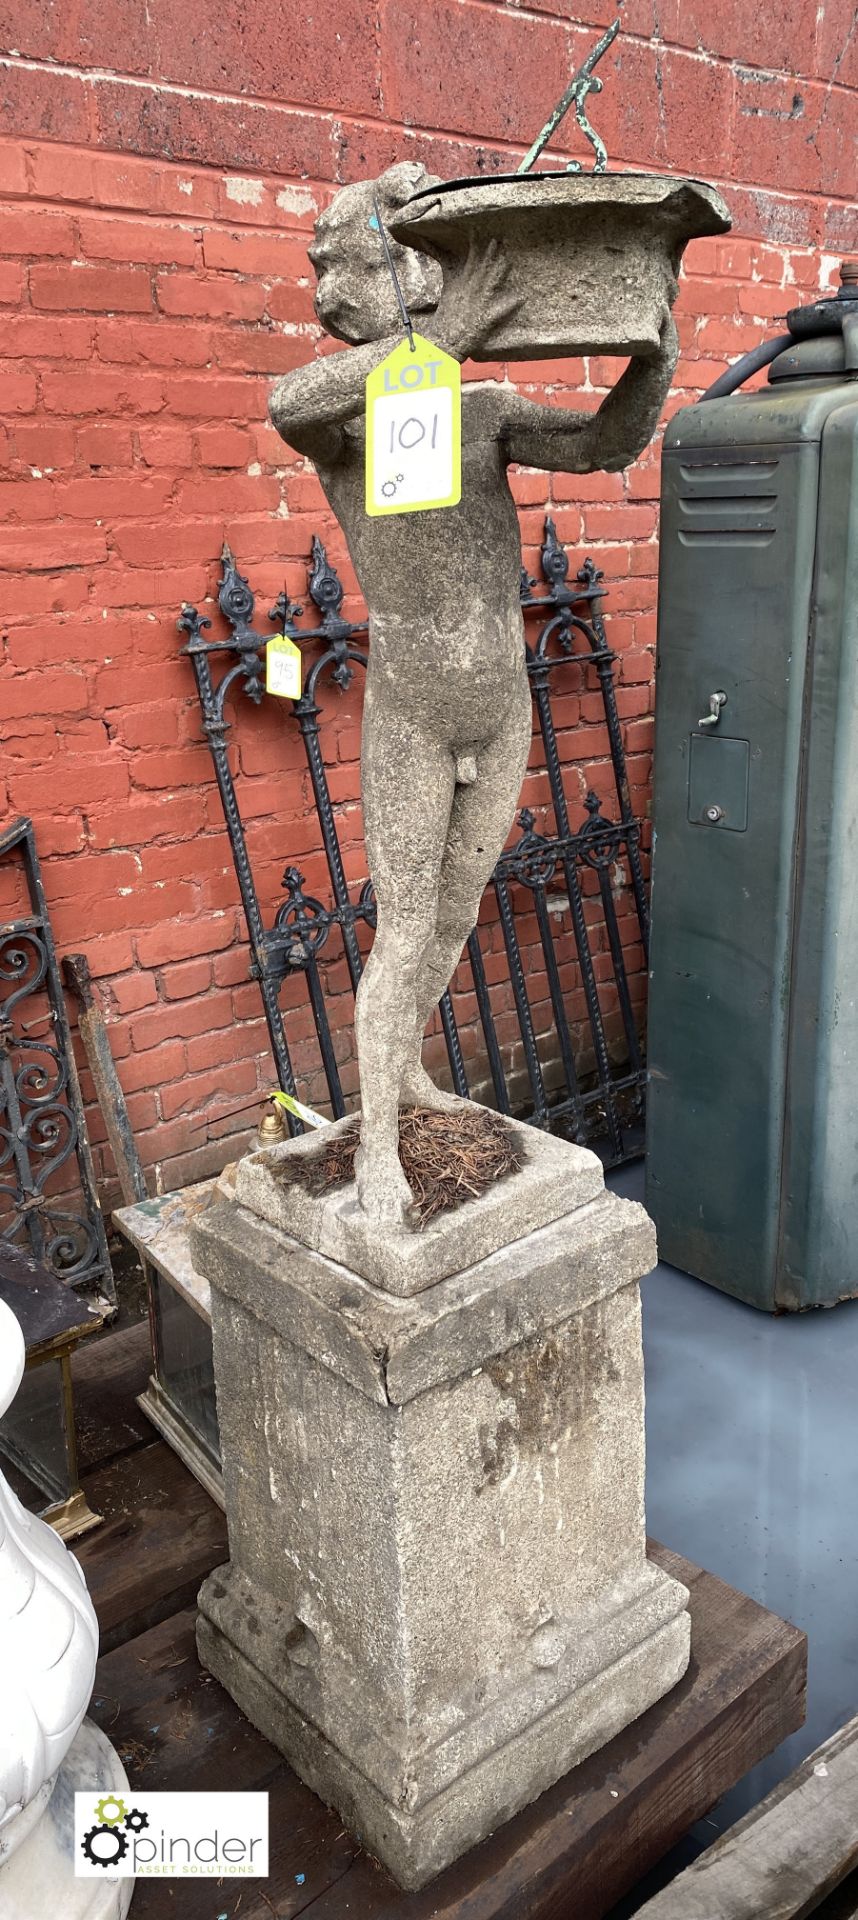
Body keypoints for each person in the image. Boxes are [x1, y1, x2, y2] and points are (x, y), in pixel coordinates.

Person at [270, 161, 678, 1226]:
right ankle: (375, 1153)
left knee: (456, 911)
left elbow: (603, 443)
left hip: (500, 702)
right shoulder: (347, 416)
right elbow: (292, 402)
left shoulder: (483, 408)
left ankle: (405, 1077)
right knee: (403, 926)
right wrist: (438, 344)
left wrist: (654, 358)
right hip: (414, 702)